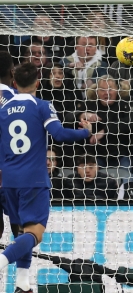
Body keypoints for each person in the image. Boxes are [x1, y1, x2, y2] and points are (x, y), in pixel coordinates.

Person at [0, 63, 92, 293]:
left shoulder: (3, 109)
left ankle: (22, 284)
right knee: (34, 233)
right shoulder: (42, 106)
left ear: (14, 83)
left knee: (21, 232)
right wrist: (85, 132)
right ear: (38, 83)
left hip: (8, 180)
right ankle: (2, 261)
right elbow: (59, 134)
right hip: (34, 180)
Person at [0, 51, 21, 243]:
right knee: (19, 225)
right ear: (12, 72)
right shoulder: (20, 101)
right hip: (12, 172)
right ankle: (24, 271)